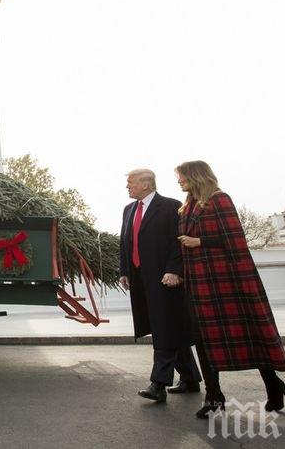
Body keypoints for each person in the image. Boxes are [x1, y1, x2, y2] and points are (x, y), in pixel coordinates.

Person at [176, 160, 285, 418]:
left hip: (228, 282)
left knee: (250, 335)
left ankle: (273, 385)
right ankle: (214, 397)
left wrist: (199, 241)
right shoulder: (186, 207)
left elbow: (236, 240)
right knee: (204, 340)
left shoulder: (220, 200)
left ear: (195, 177)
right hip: (199, 284)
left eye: (181, 177)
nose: (179, 182)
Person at [119, 169, 201, 403]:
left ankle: (158, 384)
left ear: (145, 185)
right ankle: (190, 378)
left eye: (130, 182)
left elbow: (179, 243)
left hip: (165, 278)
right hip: (139, 279)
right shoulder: (128, 210)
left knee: (164, 327)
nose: (127, 186)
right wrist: (124, 270)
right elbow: (126, 242)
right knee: (167, 326)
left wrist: (174, 270)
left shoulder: (170, 206)